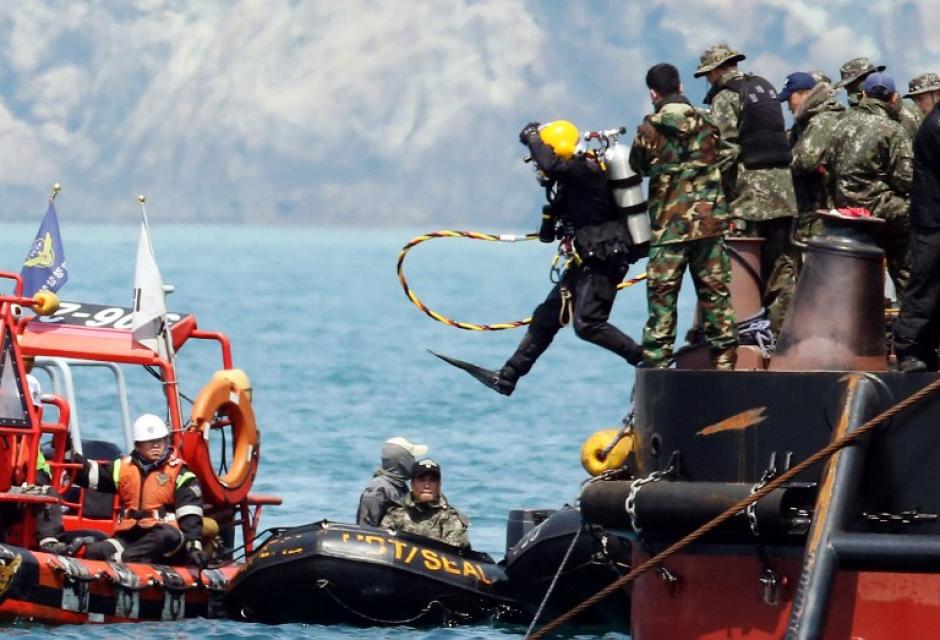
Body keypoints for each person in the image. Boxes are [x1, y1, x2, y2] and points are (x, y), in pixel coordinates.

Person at [458, 120, 643, 396]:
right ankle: (507, 377)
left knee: (588, 324)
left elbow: (553, 166)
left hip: (604, 261)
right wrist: (550, 218)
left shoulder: (585, 171)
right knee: (546, 317)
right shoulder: (569, 184)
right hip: (585, 262)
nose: (538, 166)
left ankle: (644, 358)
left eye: (539, 158)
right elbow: (549, 232)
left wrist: (532, 137)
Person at [628, 63, 737, 370]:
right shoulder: (708, 121)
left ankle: (658, 368)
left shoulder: (649, 128)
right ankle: (726, 364)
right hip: (709, 224)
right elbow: (726, 155)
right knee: (716, 296)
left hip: (669, 230)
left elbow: (638, 166)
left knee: (663, 302)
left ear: (653, 93)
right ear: (681, 88)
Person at [695, 43, 798, 335]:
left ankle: (746, 334)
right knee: (781, 266)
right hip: (783, 191)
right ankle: (783, 336)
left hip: (751, 197)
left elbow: (725, 150)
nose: (708, 80)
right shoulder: (762, 88)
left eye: (707, 74)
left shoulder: (726, 98)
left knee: (746, 267)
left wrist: (711, 189)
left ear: (715, 70)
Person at [72, 413, 207, 566]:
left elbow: (190, 515)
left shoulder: (180, 474)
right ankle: (118, 564)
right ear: (138, 445)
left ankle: (124, 560)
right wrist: (71, 458)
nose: (156, 446)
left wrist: (194, 547)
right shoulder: (124, 467)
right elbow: (94, 475)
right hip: (131, 536)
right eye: (150, 442)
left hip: (165, 539)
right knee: (95, 552)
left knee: (165, 535)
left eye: (159, 441)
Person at [826, 72, 913, 295]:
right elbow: (905, 179)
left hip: (845, 211)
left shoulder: (839, 125)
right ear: (893, 98)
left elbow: (829, 168)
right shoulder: (893, 129)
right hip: (882, 211)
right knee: (908, 266)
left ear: (863, 95)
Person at [892, 75, 940, 372]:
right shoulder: (935, 126)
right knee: (924, 284)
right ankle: (909, 348)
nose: (919, 105)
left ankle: (927, 348)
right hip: (932, 221)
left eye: (921, 98)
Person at [784, 72, 846, 243]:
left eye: (790, 99)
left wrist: (785, 161)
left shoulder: (822, 120)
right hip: (812, 210)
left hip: (821, 211)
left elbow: (805, 161)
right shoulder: (807, 123)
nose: (789, 106)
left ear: (806, 93)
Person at [380, 459, 470, 549]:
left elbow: (453, 552)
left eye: (432, 480)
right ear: (412, 484)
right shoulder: (396, 513)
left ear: (439, 485)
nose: (427, 485)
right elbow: (383, 542)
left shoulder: (449, 517)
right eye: (422, 480)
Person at [835, 57, 922, 138]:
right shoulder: (854, 118)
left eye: (853, 86)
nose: (850, 94)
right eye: (848, 88)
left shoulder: (910, 114)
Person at [356, 436, 428, 526]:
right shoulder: (378, 488)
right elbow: (366, 528)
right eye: (412, 457)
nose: (414, 462)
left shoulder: (400, 486)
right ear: (403, 461)